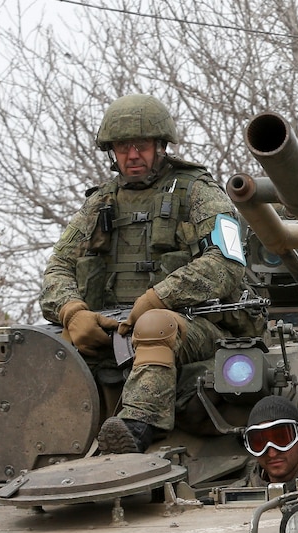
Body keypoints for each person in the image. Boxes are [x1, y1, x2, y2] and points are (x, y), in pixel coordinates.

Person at [40, 94, 262, 454]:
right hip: (114, 325)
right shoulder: (101, 202)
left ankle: (136, 428)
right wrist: (73, 311)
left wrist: (158, 298)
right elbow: (58, 268)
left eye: (140, 146)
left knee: (155, 324)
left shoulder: (198, 192)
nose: (132, 156)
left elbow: (226, 264)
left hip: (196, 327)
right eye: (122, 148)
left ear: (160, 146)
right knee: (42, 345)